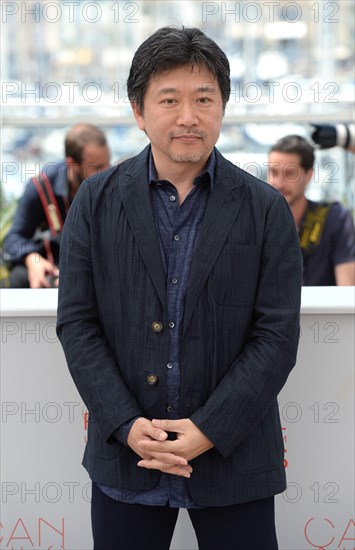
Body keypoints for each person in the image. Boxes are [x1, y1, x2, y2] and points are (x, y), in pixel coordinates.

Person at [57, 27, 302, 550]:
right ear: (139, 111)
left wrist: (208, 429)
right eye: (169, 99)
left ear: (222, 107)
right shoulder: (96, 203)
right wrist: (125, 423)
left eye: (204, 99)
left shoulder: (265, 209)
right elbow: (78, 323)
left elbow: (276, 336)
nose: (188, 115)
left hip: (234, 459)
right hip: (128, 459)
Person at [4, 123, 110, 288]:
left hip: (97, 267)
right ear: (71, 164)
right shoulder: (41, 187)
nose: (106, 173)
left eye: (107, 164)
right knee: (20, 277)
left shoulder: (112, 184)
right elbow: (15, 238)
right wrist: (33, 259)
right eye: (97, 167)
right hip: (55, 267)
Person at [268, 135, 355, 286]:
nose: (279, 184)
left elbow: (347, 292)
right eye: (274, 172)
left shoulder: (335, 218)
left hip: (324, 309)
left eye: (290, 174)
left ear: (309, 175)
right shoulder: (258, 221)